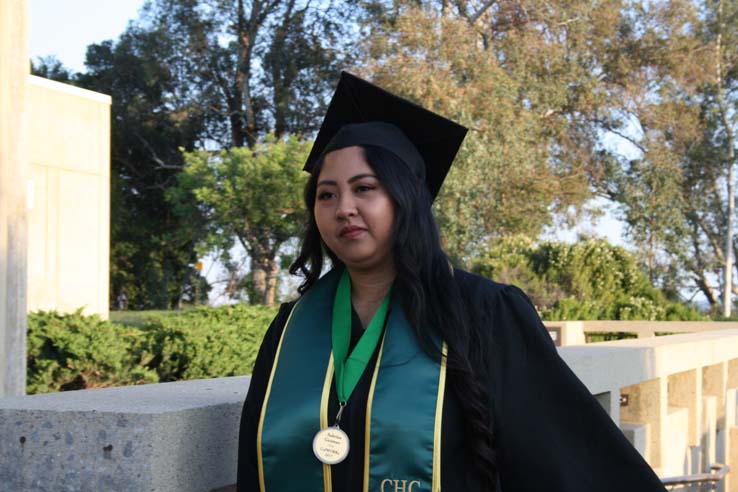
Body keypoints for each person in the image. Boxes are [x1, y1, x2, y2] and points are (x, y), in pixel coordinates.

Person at [237, 71, 667, 492]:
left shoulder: (485, 312)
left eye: (365, 188)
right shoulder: (291, 328)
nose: (343, 208)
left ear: (407, 198)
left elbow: (563, 457)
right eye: (326, 194)